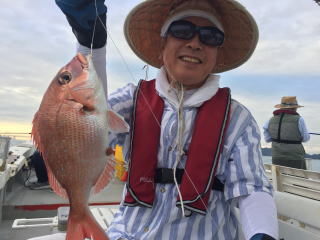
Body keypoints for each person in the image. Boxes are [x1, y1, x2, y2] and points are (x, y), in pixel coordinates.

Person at [53, 0, 279, 239]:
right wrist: (91, 43)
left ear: (217, 56)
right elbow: (87, 125)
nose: (195, 43)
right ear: (162, 47)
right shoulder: (130, 99)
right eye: (181, 31)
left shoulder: (238, 119)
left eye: (210, 37)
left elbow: (252, 188)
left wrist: (262, 233)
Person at [263, 96, 310, 169]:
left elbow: (267, 139)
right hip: (295, 158)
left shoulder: (270, 120)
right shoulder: (299, 119)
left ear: (281, 107)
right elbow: (305, 139)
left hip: (277, 158)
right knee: (298, 179)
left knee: (280, 179)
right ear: (294, 108)